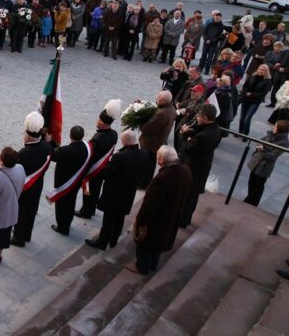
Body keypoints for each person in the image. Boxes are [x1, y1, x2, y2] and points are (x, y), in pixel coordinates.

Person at [125, 145, 192, 275]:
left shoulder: (161, 179)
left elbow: (149, 205)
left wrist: (140, 220)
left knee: (146, 243)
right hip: (173, 215)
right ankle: (153, 264)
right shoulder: (185, 170)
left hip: (157, 219)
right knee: (160, 242)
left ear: (161, 160)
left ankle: (142, 267)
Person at [86, 130, 149, 250]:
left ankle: (102, 242)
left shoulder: (119, 156)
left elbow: (106, 173)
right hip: (129, 192)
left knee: (109, 219)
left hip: (114, 193)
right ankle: (114, 239)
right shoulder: (144, 154)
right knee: (120, 217)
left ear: (124, 141)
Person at [11, 112, 53, 247]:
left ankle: (19, 237)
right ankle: (27, 234)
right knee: (32, 210)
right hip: (37, 184)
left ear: (27, 136)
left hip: (24, 187)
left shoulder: (22, 153)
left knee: (21, 212)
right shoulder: (47, 146)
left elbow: (15, 172)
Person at [178, 104, 222, 228]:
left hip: (194, 167)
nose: (196, 117)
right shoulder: (216, 129)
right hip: (202, 165)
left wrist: (185, 135)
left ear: (205, 118)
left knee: (188, 195)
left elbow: (187, 148)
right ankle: (186, 218)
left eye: (199, 116)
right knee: (193, 194)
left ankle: (183, 220)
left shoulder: (204, 136)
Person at [76, 100, 121, 219]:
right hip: (103, 167)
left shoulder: (98, 138)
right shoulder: (114, 134)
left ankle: (86, 211)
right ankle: (91, 209)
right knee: (96, 190)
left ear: (103, 123)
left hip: (94, 168)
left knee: (89, 190)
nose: (97, 121)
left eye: (99, 120)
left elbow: (89, 154)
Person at [49, 126, 91, 236]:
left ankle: (62, 227)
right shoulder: (86, 148)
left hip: (64, 183)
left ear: (70, 135)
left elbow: (53, 156)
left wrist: (50, 142)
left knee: (62, 205)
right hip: (76, 182)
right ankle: (68, 222)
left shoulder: (65, 150)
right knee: (71, 203)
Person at [244, 120, 289, 206]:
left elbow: (272, 155)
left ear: (280, 129)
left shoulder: (284, 143)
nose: (273, 127)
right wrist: (259, 146)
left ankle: (253, 202)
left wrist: (262, 149)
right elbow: (260, 141)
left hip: (265, 166)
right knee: (251, 181)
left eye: (276, 127)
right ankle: (249, 197)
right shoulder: (271, 134)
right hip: (256, 161)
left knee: (259, 184)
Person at [138, 91, 177, 188]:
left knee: (147, 164)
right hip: (159, 141)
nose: (156, 100)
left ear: (164, 101)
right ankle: (145, 181)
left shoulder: (162, 113)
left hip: (151, 143)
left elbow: (146, 128)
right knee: (150, 163)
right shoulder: (171, 109)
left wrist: (140, 120)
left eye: (158, 99)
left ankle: (143, 183)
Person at [238, 64, 272, 136]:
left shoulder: (267, 81)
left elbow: (263, 93)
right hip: (245, 99)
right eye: (259, 69)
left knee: (247, 118)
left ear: (266, 72)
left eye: (263, 70)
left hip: (255, 101)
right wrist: (246, 92)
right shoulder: (252, 76)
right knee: (242, 118)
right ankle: (240, 132)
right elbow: (245, 85)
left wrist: (251, 94)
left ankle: (245, 134)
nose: (261, 71)